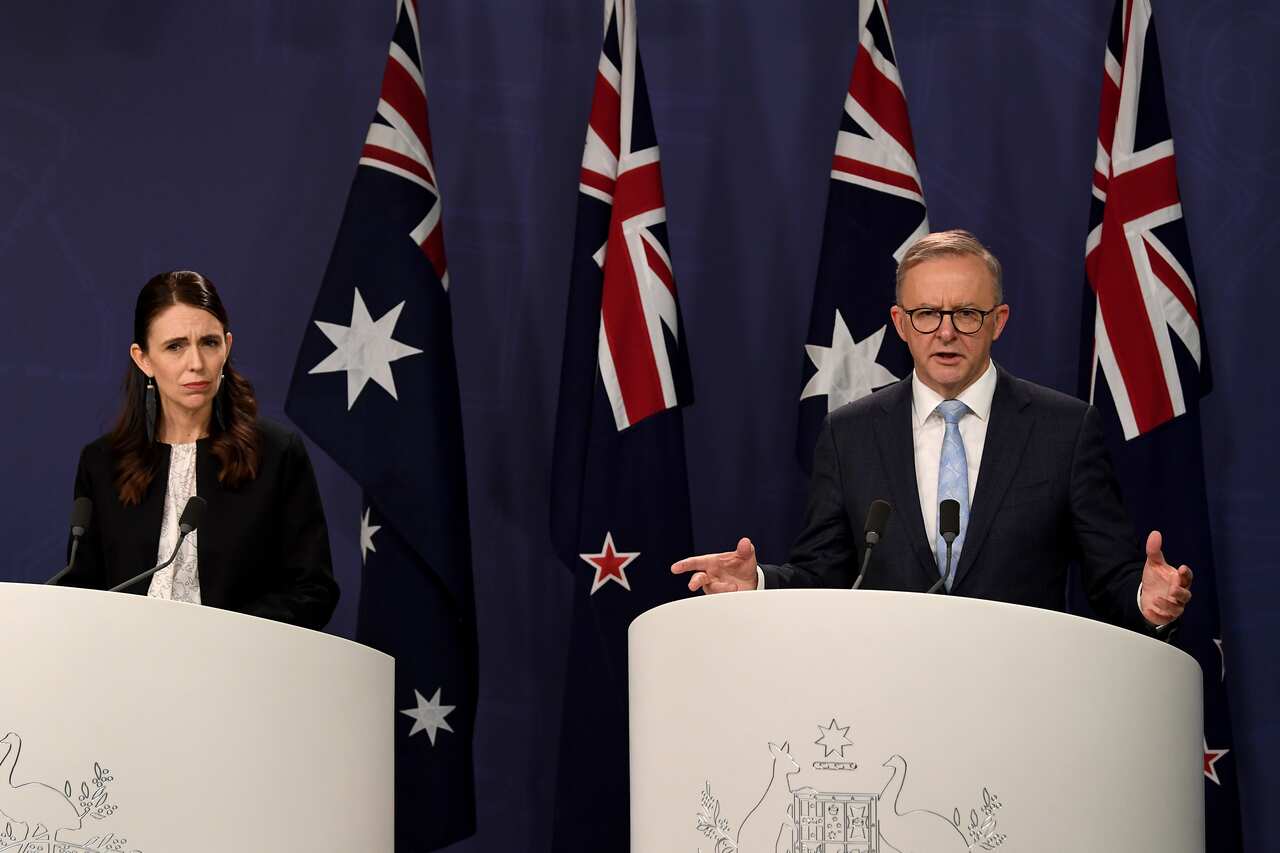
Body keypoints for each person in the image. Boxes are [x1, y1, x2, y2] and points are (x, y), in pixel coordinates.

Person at [672, 230, 1191, 634]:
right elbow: (824, 576)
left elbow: (1111, 580)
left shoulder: (1064, 429)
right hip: (892, 703)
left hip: (1022, 700)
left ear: (999, 320)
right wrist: (759, 582)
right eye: (926, 314)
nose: (945, 332)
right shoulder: (849, 433)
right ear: (900, 323)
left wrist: (1149, 601)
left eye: (966, 313)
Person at [62, 270, 339, 629]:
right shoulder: (102, 463)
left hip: (241, 668)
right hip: (127, 669)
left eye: (209, 342)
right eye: (175, 346)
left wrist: (221, 639)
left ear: (227, 346)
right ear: (143, 358)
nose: (196, 363)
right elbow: (82, 588)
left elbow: (312, 589)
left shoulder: (276, 453)